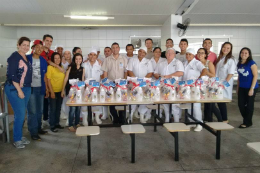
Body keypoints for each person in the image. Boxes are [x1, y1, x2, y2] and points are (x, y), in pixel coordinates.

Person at [5, 37, 32, 148]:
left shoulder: (25, 57)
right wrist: (19, 90)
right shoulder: (14, 57)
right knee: (20, 114)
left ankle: (19, 136)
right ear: (18, 45)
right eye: (24, 45)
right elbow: (12, 76)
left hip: (26, 88)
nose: (26, 47)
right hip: (15, 88)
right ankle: (17, 140)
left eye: (27, 45)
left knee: (21, 114)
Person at [154, 48, 184, 123]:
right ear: (166, 54)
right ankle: (167, 118)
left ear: (174, 54)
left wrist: (168, 76)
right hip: (163, 86)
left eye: (171, 53)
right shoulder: (161, 63)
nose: (169, 54)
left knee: (174, 104)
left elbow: (180, 73)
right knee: (165, 103)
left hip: (174, 87)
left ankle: (176, 121)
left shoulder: (178, 62)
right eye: (168, 53)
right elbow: (155, 73)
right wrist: (159, 77)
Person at [27, 40, 49, 141]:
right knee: (32, 111)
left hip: (40, 88)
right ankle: (33, 132)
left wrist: (46, 89)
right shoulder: (27, 59)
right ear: (33, 48)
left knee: (40, 111)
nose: (40, 49)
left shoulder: (43, 60)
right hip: (30, 89)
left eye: (41, 48)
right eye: (37, 47)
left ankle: (39, 128)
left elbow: (44, 76)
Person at [102, 42, 128, 124]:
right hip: (111, 84)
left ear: (119, 48)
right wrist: (106, 83)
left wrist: (124, 82)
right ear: (111, 49)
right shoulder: (107, 59)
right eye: (113, 47)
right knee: (111, 101)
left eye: (117, 47)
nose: (115, 49)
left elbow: (126, 72)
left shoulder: (124, 59)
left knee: (122, 101)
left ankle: (122, 118)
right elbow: (105, 72)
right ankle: (115, 118)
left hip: (121, 84)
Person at [182, 48, 207, 131]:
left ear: (193, 55)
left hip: (195, 87)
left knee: (196, 105)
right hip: (186, 87)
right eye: (187, 54)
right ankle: (192, 122)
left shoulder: (197, 63)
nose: (188, 56)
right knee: (189, 104)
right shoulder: (185, 63)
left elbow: (204, 70)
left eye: (190, 54)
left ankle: (199, 123)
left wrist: (199, 79)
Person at [127, 47, 153, 123]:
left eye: (143, 52)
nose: (141, 53)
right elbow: (129, 70)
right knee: (133, 98)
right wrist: (135, 80)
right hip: (134, 83)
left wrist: (143, 81)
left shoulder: (148, 61)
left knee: (144, 99)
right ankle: (130, 115)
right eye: (140, 51)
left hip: (144, 84)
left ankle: (142, 115)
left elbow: (150, 72)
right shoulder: (132, 60)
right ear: (138, 52)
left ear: (146, 54)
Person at [197, 48, 222, 122]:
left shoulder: (209, 63)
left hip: (210, 86)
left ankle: (220, 120)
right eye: (198, 53)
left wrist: (206, 71)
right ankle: (208, 119)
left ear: (205, 55)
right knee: (206, 104)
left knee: (211, 105)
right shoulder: (197, 63)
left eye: (202, 53)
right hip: (202, 86)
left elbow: (213, 75)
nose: (200, 54)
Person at [61, 53, 85, 132]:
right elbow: (65, 79)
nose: (78, 60)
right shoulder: (70, 67)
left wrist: (83, 91)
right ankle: (71, 124)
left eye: (80, 59)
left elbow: (82, 80)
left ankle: (77, 123)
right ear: (74, 60)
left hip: (79, 91)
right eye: (76, 59)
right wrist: (63, 90)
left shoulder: (82, 69)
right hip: (71, 91)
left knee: (78, 108)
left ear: (82, 60)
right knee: (72, 108)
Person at [237, 47, 259, 128]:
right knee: (241, 105)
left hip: (251, 87)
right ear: (240, 54)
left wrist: (252, 89)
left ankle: (247, 122)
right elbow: (239, 77)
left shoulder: (251, 63)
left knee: (249, 105)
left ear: (249, 54)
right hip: (242, 87)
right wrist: (238, 88)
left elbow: (255, 75)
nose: (244, 54)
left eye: (246, 53)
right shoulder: (239, 63)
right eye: (242, 52)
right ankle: (247, 119)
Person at [81, 50, 104, 125]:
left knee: (97, 103)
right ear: (88, 56)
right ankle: (85, 119)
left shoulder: (99, 64)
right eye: (90, 54)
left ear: (96, 56)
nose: (92, 56)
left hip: (96, 87)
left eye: (94, 55)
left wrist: (101, 86)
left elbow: (102, 76)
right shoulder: (84, 64)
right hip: (86, 87)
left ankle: (97, 117)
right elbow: (83, 76)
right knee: (85, 103)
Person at [215, 42, 236, 123]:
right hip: (218, 82)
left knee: (222, 102)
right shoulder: (220, 58)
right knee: (219, 101)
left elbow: (230, 73)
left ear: (230, 50)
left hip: (224, 83)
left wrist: (224, 84)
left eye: (228, 48)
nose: (225, 49)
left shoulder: (231, 60)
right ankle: (223, 118)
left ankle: (224, 119)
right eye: (224, 47)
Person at [46, 52, 65, 132]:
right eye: (55, 58)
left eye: (58, 58)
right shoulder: (50, 67)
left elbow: (63, 76)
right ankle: (52, 125)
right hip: (53, 91)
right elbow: (48, 80)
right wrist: (51, 92)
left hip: (60, 91)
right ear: (53, 59)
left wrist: (62, 91)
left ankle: (57, 123)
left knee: (58, 108)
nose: (57, 60)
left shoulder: (61, 67)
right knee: (52, 109)